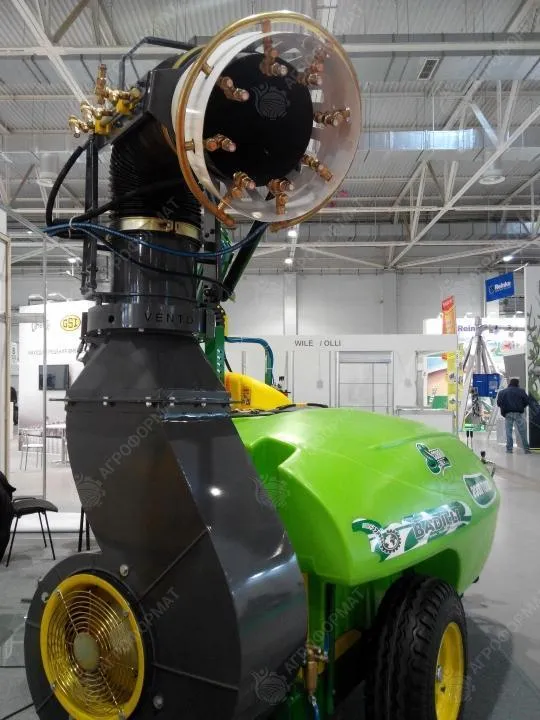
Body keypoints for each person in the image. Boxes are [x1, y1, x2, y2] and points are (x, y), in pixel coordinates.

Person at [496, 378, 531, 454]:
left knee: (508, 432)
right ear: (517, 384)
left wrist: (504, 408)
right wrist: (522, 406)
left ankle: (509, 449)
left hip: (508, 413)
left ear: (510, 383)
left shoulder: (502, 392)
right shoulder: (521, 391)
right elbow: (527, 401)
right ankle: (526, 450)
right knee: (522, 432)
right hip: (519, 413)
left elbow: (498, 403)